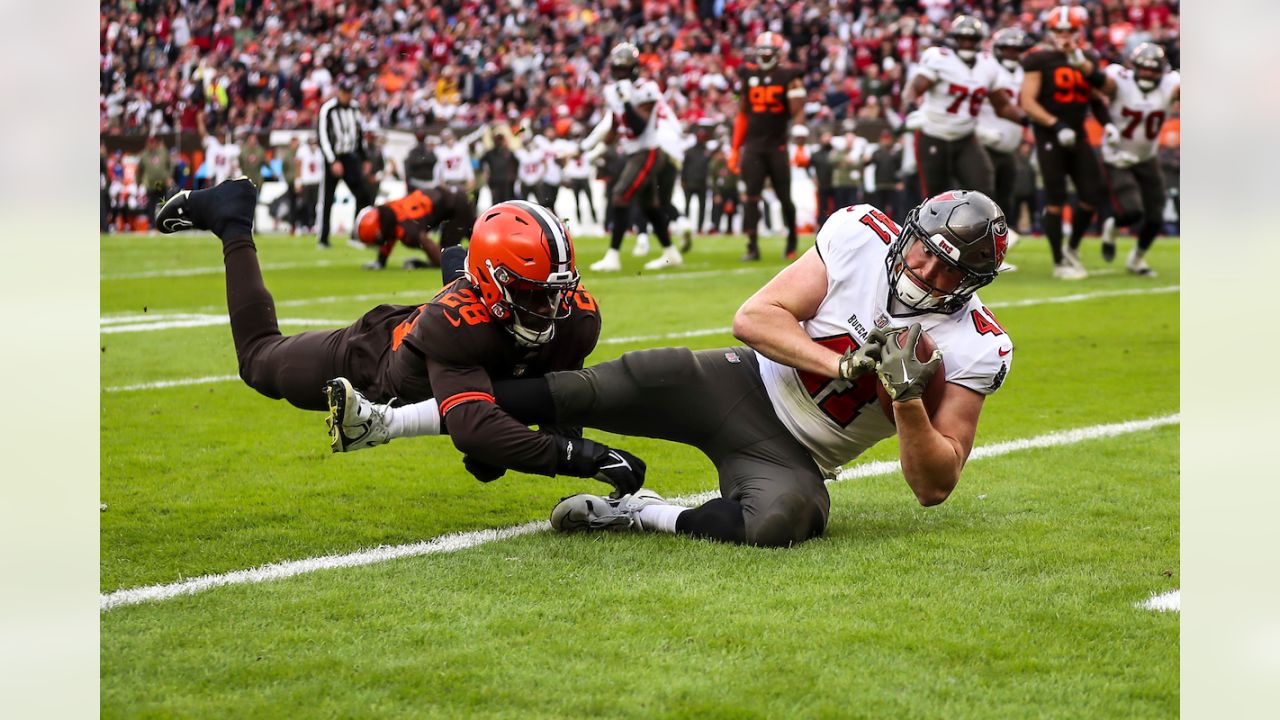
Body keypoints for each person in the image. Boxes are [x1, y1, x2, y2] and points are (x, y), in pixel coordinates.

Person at [329, 191, 1014, 548]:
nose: (923, 269)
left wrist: (904, 401)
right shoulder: (863, 236)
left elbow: (934, 486)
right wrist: (843, 359)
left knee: (779, 523)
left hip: (800, 451)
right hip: (742, 381)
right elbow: (755, 319)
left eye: (946, 266)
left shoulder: (976, 344)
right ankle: (384, 422)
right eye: (923, 249)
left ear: (974, 279)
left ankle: (641, 516)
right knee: (592, 389)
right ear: (909, 231)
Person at [155, 179, 647, 495]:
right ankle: (232, 218)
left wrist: (557, 442)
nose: (551, 308)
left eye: (558, 292)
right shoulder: (456, 325)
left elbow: (557, 396)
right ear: (494, 282)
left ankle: (452, 263)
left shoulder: (574, 316)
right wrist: (584, 459)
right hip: (373, 359)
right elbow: (473, 426)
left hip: (463, 343)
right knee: (258, 361)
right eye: (533, 294)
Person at [1020, 5, 1115, 280]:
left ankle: (1072, 248)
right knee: (1056, 197)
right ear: (1051, 32)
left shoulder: (1086, 57)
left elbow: (1105, 91)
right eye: (1059, 30)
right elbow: (1027, 101)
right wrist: (1055, 124)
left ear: (1078, 31)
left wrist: (1079, 61)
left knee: (1092, 194)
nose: (1064, 35)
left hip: (1079, 133)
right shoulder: (1038, 59)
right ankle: (1059, 260)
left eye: (1069, 30)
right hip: (1050, 135)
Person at [579, 42, 684, 272]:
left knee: (619, 195)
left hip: (648, 152)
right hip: (633, 152)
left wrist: (627, 100)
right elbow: (617, 126)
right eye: (617, 69)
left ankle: (613, 256)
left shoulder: (646, 88)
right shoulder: (612, 91)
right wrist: (595, 148)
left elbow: (638, 127)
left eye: (625, 69)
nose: (621, 74)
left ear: (635, 68)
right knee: (649, 206)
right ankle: (671, 253)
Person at [900, 15, 1028, 201]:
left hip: (965, 137)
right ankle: (933, 231)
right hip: (934, 134)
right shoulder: (939, 58)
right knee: (935, 199)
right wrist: (910, 108)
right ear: (954, 39)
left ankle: (980, 230)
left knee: (983, 192)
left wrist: (1027, 119)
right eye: (962, 38)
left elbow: (1002, 106)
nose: (967, 43)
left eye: (972, 39)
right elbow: (913, 88)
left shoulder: (987, 64)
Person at [1096, 43, 1180, 277]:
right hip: (1117, 155)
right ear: (1133, 67)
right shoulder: (1119, 79)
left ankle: (1137, 259)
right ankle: (1113, 226)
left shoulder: (1170, 84)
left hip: (1147, 156)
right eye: (1143, 68)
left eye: (1153, 70)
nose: (1148, 74)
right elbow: (1099, 83)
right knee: (1132, 212)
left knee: (1156, 216)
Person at [730, 32, 806, 261]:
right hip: (753, 145)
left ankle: (792, 240)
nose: (764, 56)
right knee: (751, 196)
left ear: (777, 54)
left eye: (768, 52)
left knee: (784, 196)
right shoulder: (748, 75)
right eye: (761, 52)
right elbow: (742, 114)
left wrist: (800, 145)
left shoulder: (790, 76)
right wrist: (735, 147)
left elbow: (798, 113)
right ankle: (752, 246)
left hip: (777, 145)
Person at [977, 27, 1033, 257]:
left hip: (1008, 147)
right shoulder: (986, 69)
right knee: (982, 203)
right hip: (983, 145)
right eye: (1007, 50)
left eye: (1016, 50)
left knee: (1003, 203)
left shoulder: (1022, 73)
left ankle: (993, 257)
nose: (1012, 54)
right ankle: (976, 254)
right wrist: (980, 131)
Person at [316, 76, 376, 249]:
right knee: (327, 198)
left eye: (350, 93)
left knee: (363, 195)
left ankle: (358, 234)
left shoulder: (355, 108)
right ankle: (323, 238)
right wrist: (332, 160)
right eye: (345, 92)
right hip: (333, 156)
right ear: (338, 92)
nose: (347, 96)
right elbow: (323, 136)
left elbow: (359, 134)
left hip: (350, 157)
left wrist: (364, 158)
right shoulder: (328, 109)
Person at [352, 187, 475, 271]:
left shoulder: (405, 228)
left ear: (377, 234)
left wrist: (437, 261)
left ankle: (473, 261)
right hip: (457, 198)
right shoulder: (389, 212)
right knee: (475, 237)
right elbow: (390, 234)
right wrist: (381, 261)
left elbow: (426, 243)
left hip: (458, 205)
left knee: (449, 257)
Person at [138, 135, 173, 229]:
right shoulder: (144, 155)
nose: (151, 144)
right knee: (151, 205)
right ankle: (152, 225)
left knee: (163, 203)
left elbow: (170, 165)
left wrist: (169, 176)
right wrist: (139, 182)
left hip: (161, 183)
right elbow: (139, 170)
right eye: (150, 142)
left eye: (153, 142)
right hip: (150, 184)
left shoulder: (162, 152)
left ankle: (164, 223)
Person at [480, 133, 518, 205]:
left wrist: (514, 175)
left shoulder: (509, 153)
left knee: (507, 201)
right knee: (496, 201)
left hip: (507, 181)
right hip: (494, 180)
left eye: (501, 140)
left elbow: (516, 163)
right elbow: (481, 161)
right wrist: (484, 172)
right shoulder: (490, 153)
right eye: (497, 140)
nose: (499, 142)